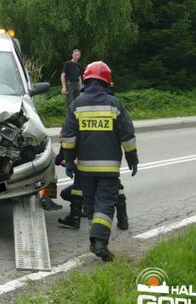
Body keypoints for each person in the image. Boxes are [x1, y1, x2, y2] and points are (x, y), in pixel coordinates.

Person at [61, 61, 138, 261]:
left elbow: (68, 137)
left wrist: (69, 161)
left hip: (84, 169)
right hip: (109, 169)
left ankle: (95, 241)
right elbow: (127, 135)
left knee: (91, 204)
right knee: (105, 204)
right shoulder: (115, 105)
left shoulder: (76, 105)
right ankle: (99, 242)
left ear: (85, 80)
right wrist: (132, 158)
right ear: (107, 82)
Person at [56, 146, 129, 230]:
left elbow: (68, 141)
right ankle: (123, 220)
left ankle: (75, 218)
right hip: (108, 160)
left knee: (78, 187)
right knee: (115, 187)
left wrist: (65, 160)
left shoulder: (73, 134)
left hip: (88, 162)